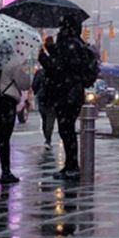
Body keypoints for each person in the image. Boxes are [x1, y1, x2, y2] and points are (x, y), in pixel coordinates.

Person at [38, 15, 98, 180]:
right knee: (68, 130)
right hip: (74, 93)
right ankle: (70, 165)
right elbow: (67, 64)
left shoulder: (66, 43)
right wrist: (50, 48)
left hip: (65, 94)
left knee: (67, 131)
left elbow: (57, 69)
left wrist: (42, 56)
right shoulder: (76, 43)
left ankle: (72, 166)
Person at [31, 50, 56, 148]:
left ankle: (47, 138)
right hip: (50, 100)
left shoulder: (40, 73)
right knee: (49, 120)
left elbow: (34, 86)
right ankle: (48, 139)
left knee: (45, 119)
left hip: (43, 99)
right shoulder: (54, 72)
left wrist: (37, 92)